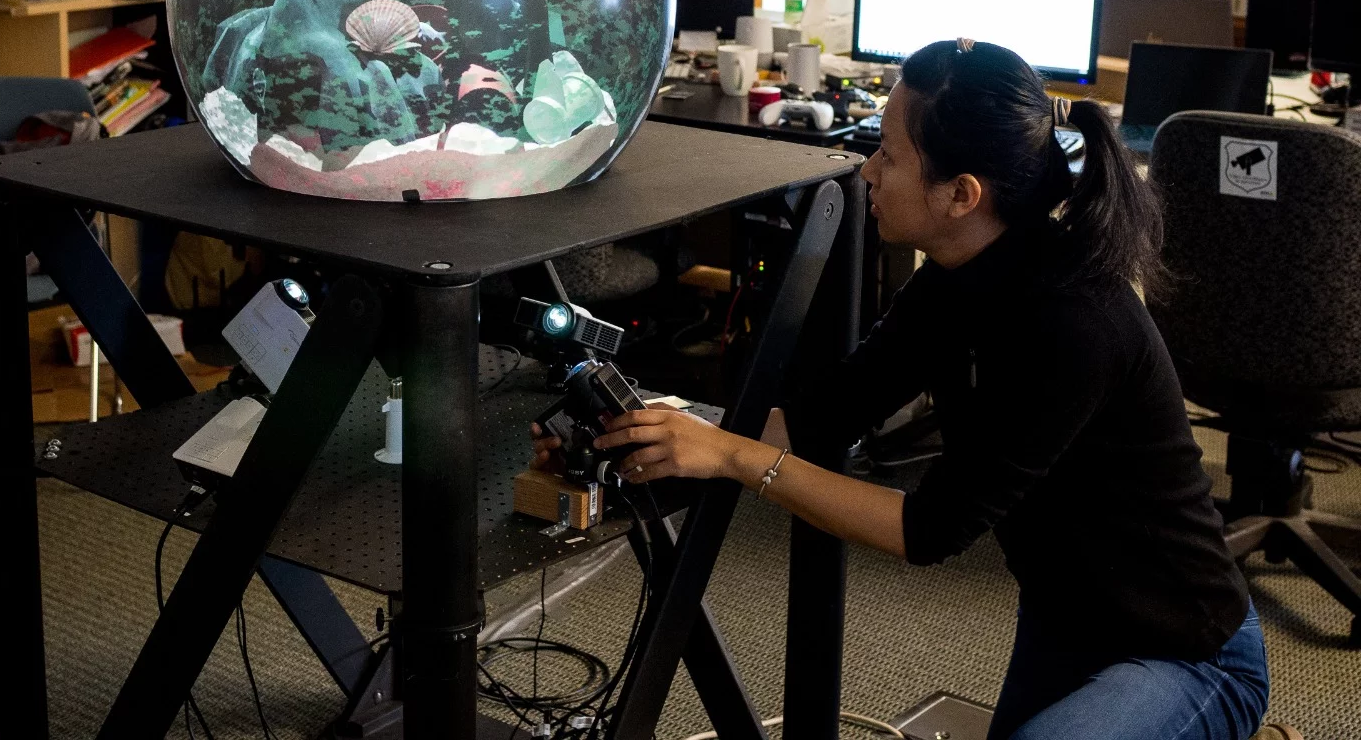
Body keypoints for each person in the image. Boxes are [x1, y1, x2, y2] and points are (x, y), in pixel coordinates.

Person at [532, 40, 1276, 740]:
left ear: (961, 193)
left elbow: (927, 530)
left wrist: (730, 456)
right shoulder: (955, 277)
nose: (867, 174)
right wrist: (657, 423)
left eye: (888, 155)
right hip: (1067, 620)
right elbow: (822, 420)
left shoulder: (1073, 322)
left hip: (1188, 649)